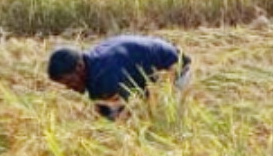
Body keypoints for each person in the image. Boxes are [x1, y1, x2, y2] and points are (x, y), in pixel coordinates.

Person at [46, 36, 190, 120]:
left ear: (79, 67)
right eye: (65, 85)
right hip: (149, 74)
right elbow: (102, 106)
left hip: (174, 69)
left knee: (167, 120)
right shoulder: (91, 64)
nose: (70, 88)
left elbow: (119, 114)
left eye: (70, 81)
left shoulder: (104, 73)